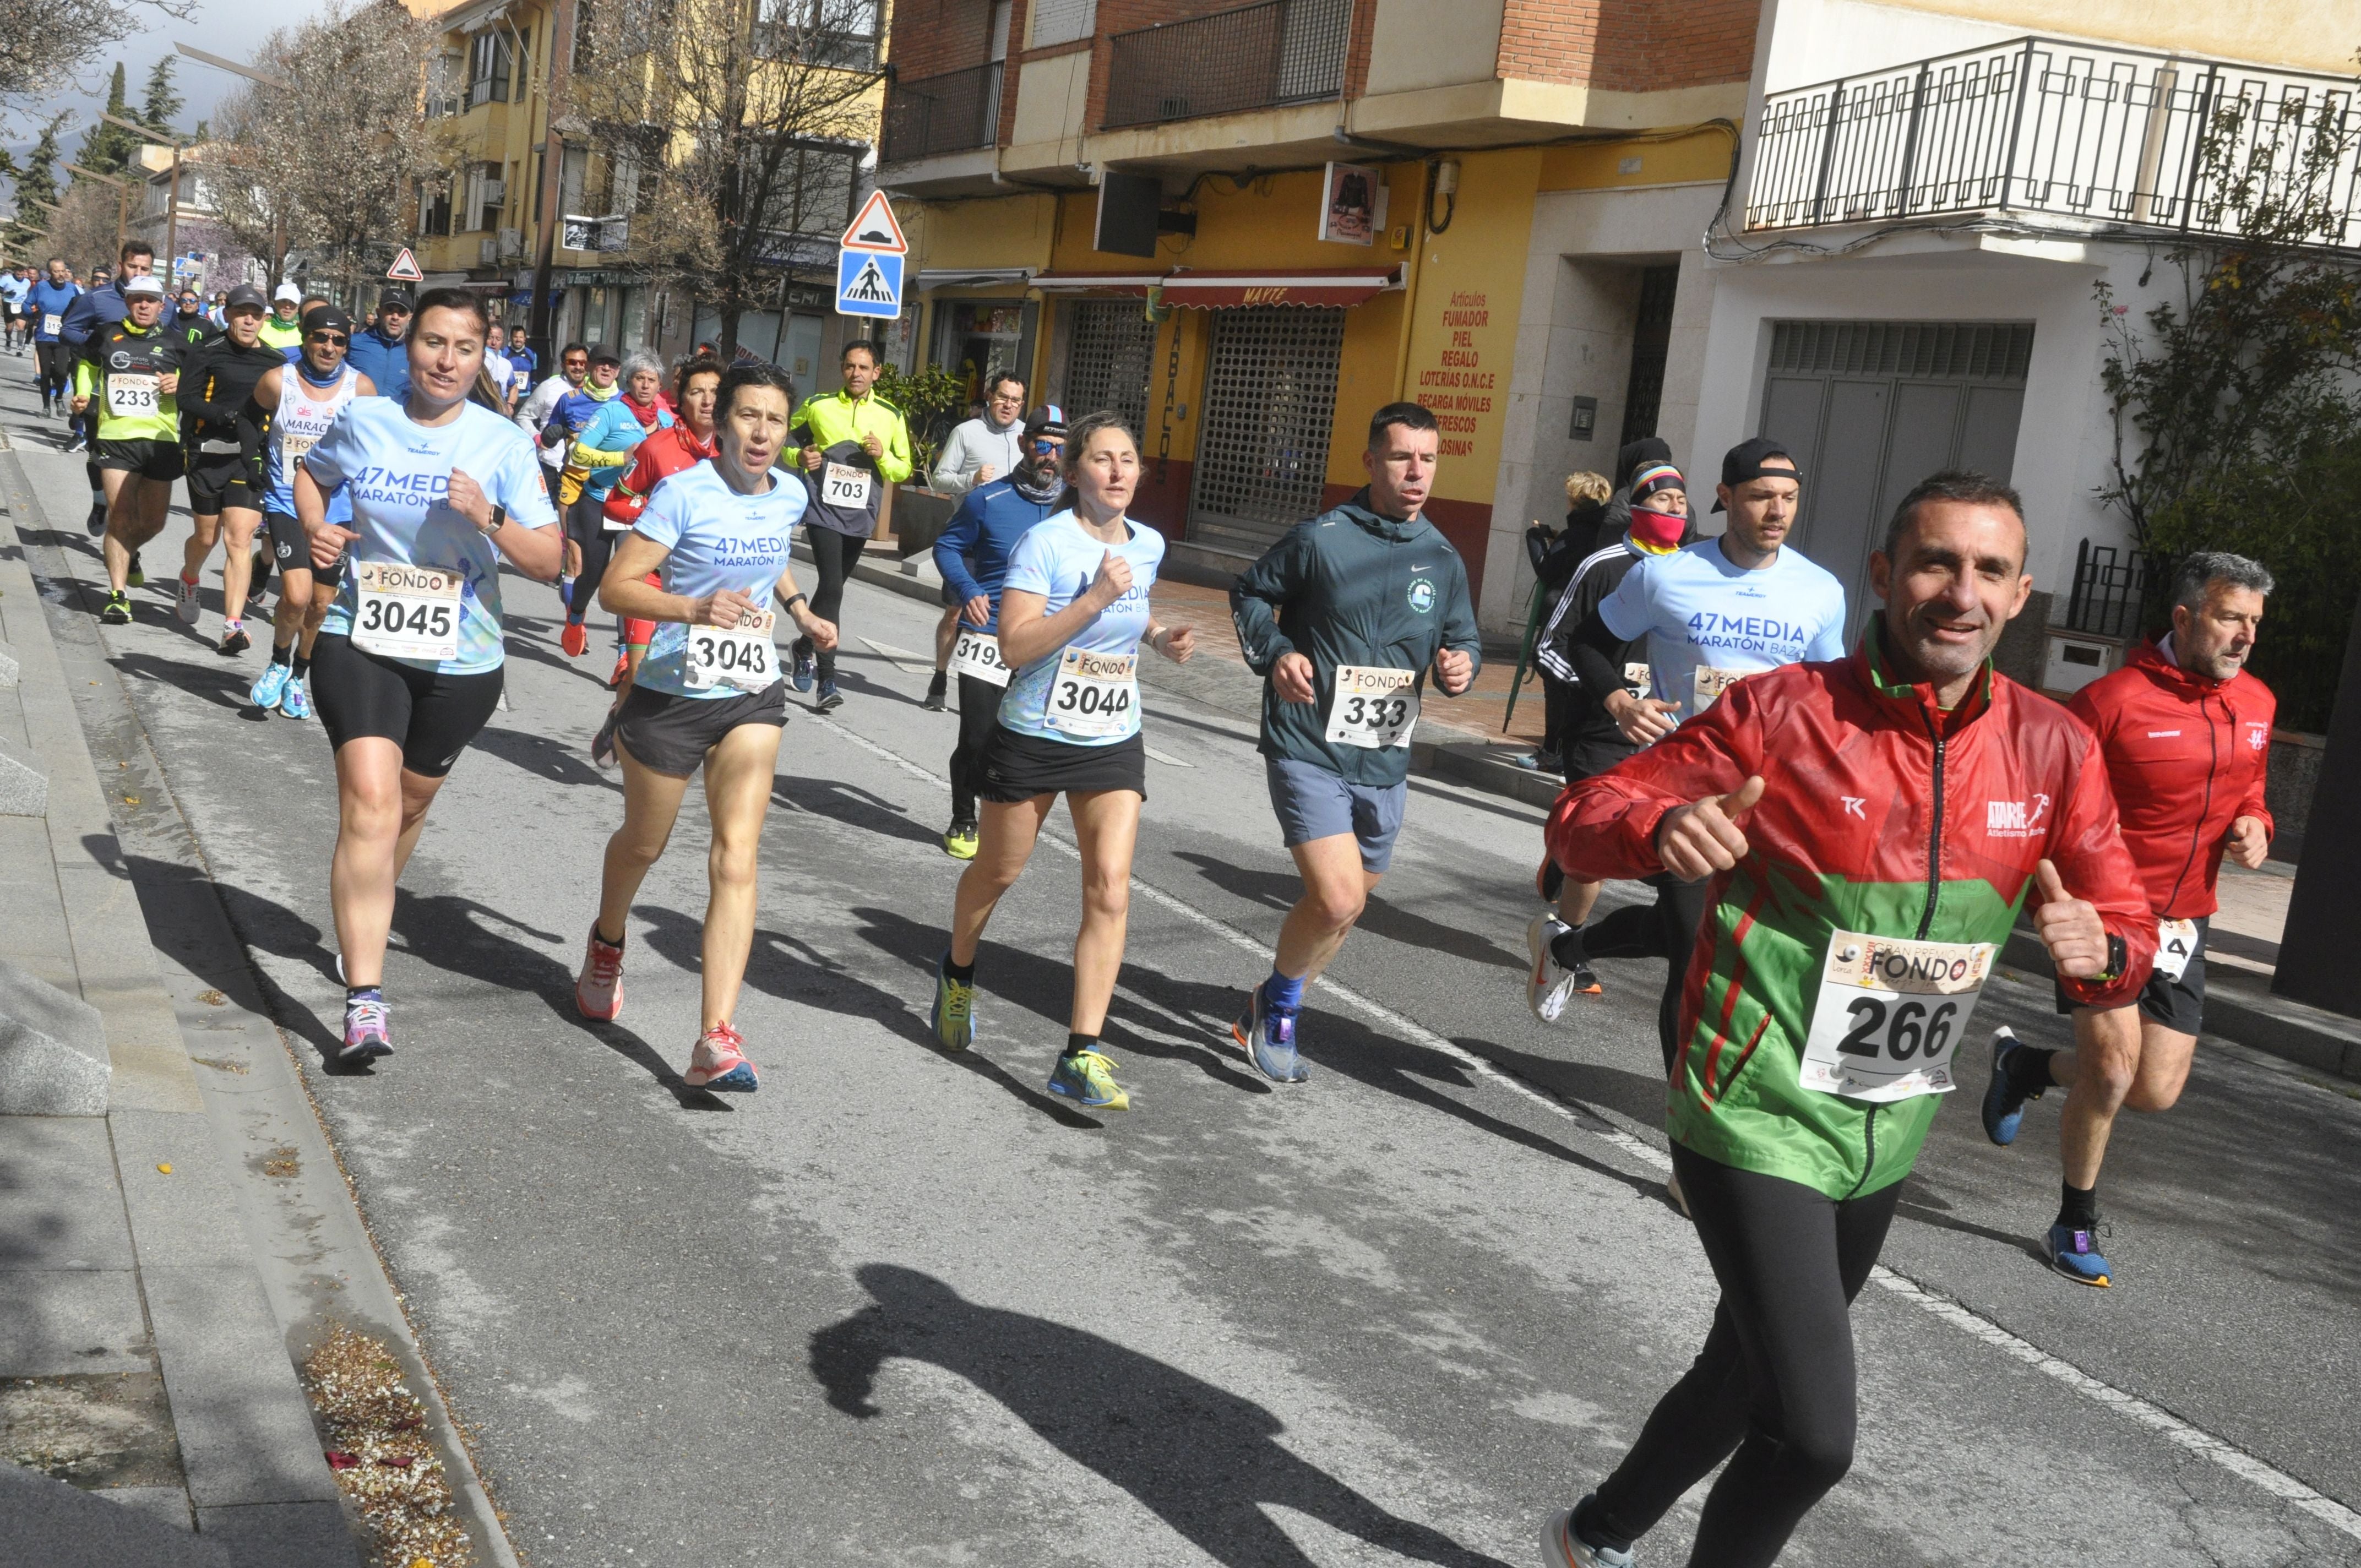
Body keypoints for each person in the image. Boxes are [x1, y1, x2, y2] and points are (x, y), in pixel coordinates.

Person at [1537, 469, 2155, 1568]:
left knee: (1740, 1375)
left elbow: (2119, 917)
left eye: (1987, 570)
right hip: (1752, 1099)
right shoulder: (1784, 713)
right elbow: (1586, 815)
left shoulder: (2052, 748)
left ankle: (1594, 1533)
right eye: (1933, 562)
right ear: (1881, 575)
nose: (1957, 592)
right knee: (1812, 1433)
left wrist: (2104, 952)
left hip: (1885, 1120)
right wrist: (1660, 825)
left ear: (2018, 595)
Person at [1982, 551, 2276, 1288]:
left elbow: (2253, 794)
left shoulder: (2259, 705)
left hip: (2185, 924)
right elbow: (2042, 797)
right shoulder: (2110, 702)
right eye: (2231, 618)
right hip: (2103, 914)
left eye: (2254, 623)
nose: (2245, 636)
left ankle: (2024, 1067)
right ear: (2184, 618)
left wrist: (2255, 826)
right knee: (2112, 1071)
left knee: (2153, 1089)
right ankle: (2073, 1221)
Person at [294, 287, 562, 1062]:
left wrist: (490, 517)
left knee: (405, 811)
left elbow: (552, 563)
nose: (446, 361)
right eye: (433, 343)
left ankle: (362, 907)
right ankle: (365, 1002)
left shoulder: (503, 442)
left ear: (485, 356)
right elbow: (312, 474)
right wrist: (319, 531)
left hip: (463, 658)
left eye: (464, 348)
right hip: (361, 637)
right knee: (372, 808)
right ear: (408, 343)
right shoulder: (365, 418)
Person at [572, 363, 838, 1087]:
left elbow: (770, 555)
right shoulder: (683, 494)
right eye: (747, 417)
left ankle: (715, 1036)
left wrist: (799, 610)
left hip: (749, 689)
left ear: (788, 432)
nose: (761, 432)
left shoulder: (788, 492)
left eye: (775, 421)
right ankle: (608, 940)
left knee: (737, 854)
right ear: (722, 423)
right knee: (644, 843)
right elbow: (616, 587)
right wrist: (695, 608)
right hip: (668, 692)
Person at [1563, 437, 1848, 1096]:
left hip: (1773, 800)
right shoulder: (1665, 574)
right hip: (1682, 795)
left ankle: (1570, 946)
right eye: (1759, 497)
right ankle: (1688, 1135)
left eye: (1788, 498)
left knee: (1701, 936)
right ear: (1725, 498)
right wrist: (1617, 700)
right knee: (1695, 956)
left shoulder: (1820, 591)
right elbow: (1587, 641)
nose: (1775, 511)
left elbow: (1830, 698)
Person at [927, 412, 1195, 1110]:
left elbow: (1133, 614)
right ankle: (957, 972)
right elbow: (1015, 646)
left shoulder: (1149, 544)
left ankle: (1081, 1053)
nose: (1116, 471)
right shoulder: (1044, 542)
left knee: (1110, 887)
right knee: (997, 871)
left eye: (1128, 459)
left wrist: (1160, 637)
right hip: (1035, 734)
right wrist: (1094, 599)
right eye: (1102, 459)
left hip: (1112, 735)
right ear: (1075, 471)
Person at [1226, 402, 1481, 1082]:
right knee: (1336, 899)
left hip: (1385, 757)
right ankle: (1281, 1010)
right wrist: (1277, 652)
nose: (1416, 472)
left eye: (1427, 458)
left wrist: (1462, 665)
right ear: (1371, 462)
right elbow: (1250, 593)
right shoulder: (1322, 538)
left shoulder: (1441, 556)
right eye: (1401, 457)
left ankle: (1268, 1002)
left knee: (1347, 908)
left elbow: (1464, 638)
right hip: (1307, 740)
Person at [1527, 460, 1690, 1014]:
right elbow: (1553, 645)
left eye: (1681, 501)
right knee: (1595, 855)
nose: (1675, 509)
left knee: (1643, 859)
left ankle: (1564, 855)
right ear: (1639, 507)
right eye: (1663, 499)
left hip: (1665, 742)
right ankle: (1566, 946)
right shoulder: (1604, 565)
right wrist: (1609, 697)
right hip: (1600, 731)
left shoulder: (1695, 574)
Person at [929, 404, 1067, 858]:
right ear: (1025, 444)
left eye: (1061, 449)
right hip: (987, 632)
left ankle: (1003, 819)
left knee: (1025, 740)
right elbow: (948, 546)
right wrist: (967, 588)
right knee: (977, 736)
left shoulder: (1075, 509)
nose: (1051, 456)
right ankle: (963, 817)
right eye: (1043, 445)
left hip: (1044, 641)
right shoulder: (987, 499)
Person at [249, 306, 375, 721]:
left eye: (339, 340)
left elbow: (375, 448)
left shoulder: (361, 388)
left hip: (338, 510)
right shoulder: (278, 381)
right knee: (297, 595)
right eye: (321, 337)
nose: (329, 347)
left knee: (321, 605)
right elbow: (250, 419)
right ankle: (277, 662)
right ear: (305, 338)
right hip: (287, 500)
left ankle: (297, 677)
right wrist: (254, 471)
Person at [594, 352, 725, 742]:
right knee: (639, 675)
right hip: (649, 579)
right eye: (697, 392)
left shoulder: (734, 454)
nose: (707, 401)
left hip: (702, 587)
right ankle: (624, 715)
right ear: (680, 399)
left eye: (716, 392)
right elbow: (615, 501)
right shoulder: (656, 449)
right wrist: (656, 519)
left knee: (696, 688)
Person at [787, 340, 912, 712]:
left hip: (860, 515)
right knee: (832, 587)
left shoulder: (891, 414)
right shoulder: (818, 405)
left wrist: (882, 455)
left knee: (834, 587)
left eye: (863, 368)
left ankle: (804, 644)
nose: (855, 374)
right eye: (849, 367)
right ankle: (827, 678)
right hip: (823, 510)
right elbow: (789, 441)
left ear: (876, 373)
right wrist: (801, 456)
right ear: (842, 369)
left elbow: (903, 468)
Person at [171, 284, 283, 652]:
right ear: (228, 315)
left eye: (255, 314)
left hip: (247, 459)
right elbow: (186, 399)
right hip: (207, 453)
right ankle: (190, 578)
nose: (248, 320)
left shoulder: (274, 360)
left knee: (239, 538)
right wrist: (226, 416)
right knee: (207, 537)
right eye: (241, 313)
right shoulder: (208, 352)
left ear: (264, 319)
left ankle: (231, 626)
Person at [70, 276, 185, 625]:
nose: (144, 306)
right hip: (116, 437)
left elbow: (196, 383)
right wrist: (83, 394)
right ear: (129, 302)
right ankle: (118, 596)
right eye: (138, 300)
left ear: (162, 306)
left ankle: (131, 553)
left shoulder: (176, 343)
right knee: (120, 517)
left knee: (154, 522)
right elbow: (88, 364)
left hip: (161, 440)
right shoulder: (106, 334)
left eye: (151, 301)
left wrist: (179, 383)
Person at [922, 372, 1030, 709]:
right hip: (970, 539)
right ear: (989, 396)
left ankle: (1001, 690)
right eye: (1003, 397)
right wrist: (971, 478)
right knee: (957, 612)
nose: (1008, 405)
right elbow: (939, 479)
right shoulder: (966, 432)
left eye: (1015, 400)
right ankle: (940, 676)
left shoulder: (1029, 437)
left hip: (1011, 545)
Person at [556, 349, 670, 660]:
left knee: (629, 578)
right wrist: (621, 458)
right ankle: (576, 614)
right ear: (629, 382)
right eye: (639, 379)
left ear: (660, 386)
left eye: (652, 380)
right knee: (592, 574)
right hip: (599, 503)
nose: (645, 386)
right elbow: (578, 454)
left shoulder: (666, 420)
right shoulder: (611, 412)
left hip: (636, 510)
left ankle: (624, 654)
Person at [62, 240, 176, 540]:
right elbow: (67, 329)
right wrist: (100, 342)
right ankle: (102, 502)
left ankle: (127, 535)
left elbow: (172, 346)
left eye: (144, 268)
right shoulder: (97, 298)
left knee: (140, 478)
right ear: (120, 265)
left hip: (150, 403)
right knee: (99, 454)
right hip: (103, 390)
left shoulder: (165, 304)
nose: (137, 271)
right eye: (132, 265)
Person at [1518, 471, 1613, 772]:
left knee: (1555, 683)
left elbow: (1547, 570)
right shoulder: (1607, 533)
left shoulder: (1577, 534)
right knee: (1581, 685)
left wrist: (1535, 538)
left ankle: (1551, 751)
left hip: (1562, 618)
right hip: (1593, 619)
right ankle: (1567, 751)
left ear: (1575, 501)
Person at [515, 340, 589, 494]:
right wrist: (537, 438)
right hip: (551, 466)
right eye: (572, 362)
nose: (578, 367)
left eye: (583, 363)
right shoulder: (548, 388)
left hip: (582, 469)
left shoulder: (594, 391)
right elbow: (523, 417)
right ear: (563, 365)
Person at [28, 258, 81, 417]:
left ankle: (58, 398)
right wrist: (33, 313)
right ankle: (46, 407)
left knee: (62, 372)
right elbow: (27, 304)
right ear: (50, 272)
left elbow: (81, 308)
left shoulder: (73, 289)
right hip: (44, 336)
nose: (61, 274)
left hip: (63, 337)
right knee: (45, 373)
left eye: (63, 271)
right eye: (57, 271)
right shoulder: (41, 287)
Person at [344, 290, 414, 400]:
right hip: (360, 415)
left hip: (398, 416)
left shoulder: (416, 351)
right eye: (390, 310)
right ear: (379, 312)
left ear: (410, 317)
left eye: (402, 312)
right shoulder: (354, 343)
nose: (395, 317)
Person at [259, 282, 305, 356]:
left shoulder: (304, 334)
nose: (287, 307)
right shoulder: (260, 328)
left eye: (292, 303)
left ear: (297, 308)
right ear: (275, 303)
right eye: (283, 301)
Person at [482, 323, 516, 411]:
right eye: (490, 338)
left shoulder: (506, 364)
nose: (494, 343)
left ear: (503, 341)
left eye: (498, 339)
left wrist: (510, 404)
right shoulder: (476, 361)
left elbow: (513, 387)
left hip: (498, 412)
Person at [0, 266, 28, 355]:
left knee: (21, 327)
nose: (20, 276)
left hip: (21, 304)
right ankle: (9, 338)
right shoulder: (6, 279)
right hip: (9, 303)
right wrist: (6, 293)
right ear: (14, 273)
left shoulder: (27, 282)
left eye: (22, 275)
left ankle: (19, 348)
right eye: (18, 274)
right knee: (10, 328)